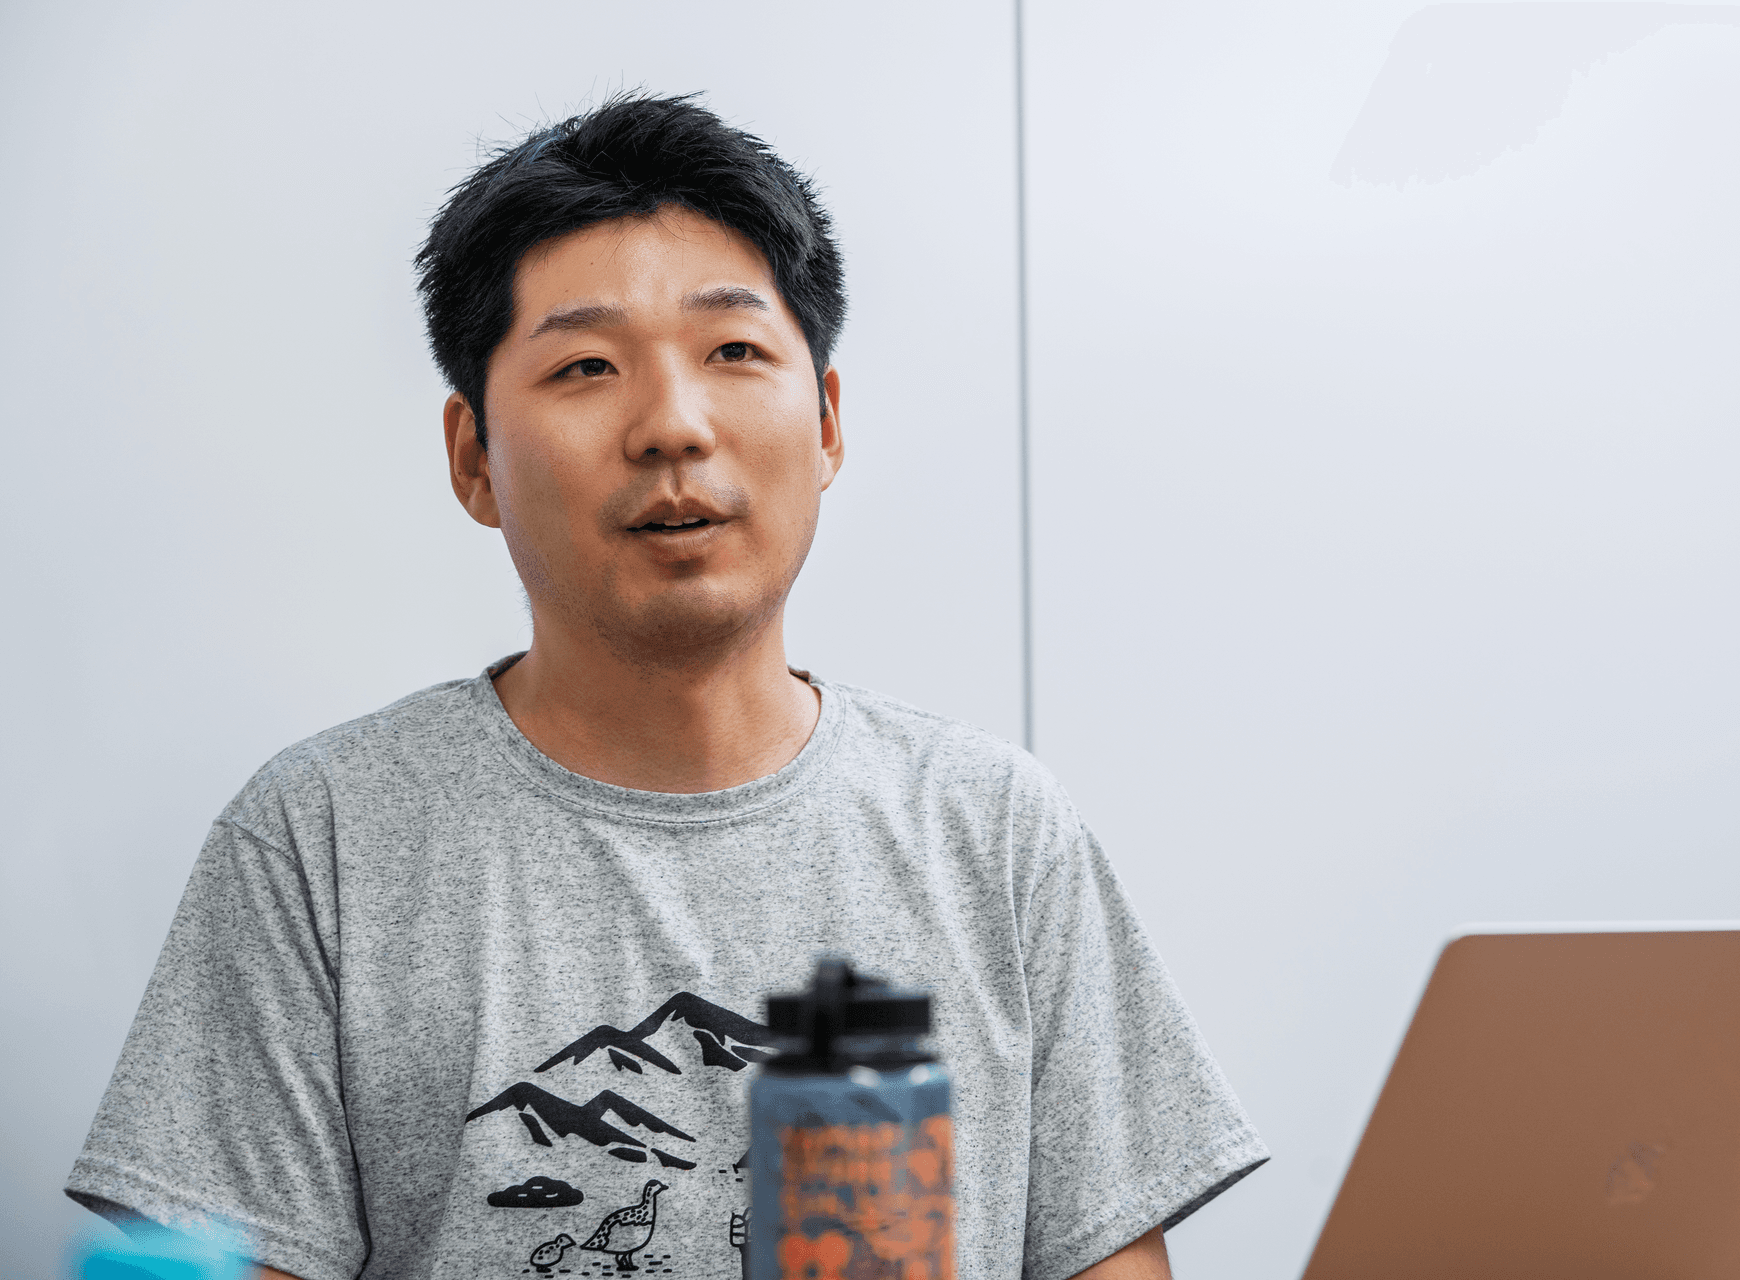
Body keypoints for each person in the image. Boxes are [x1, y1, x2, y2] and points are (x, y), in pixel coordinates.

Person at [64, 92, 1267, 1280]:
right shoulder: (320, 837)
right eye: (586, 365)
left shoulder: (996, 829)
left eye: (734, 350)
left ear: (830, 419)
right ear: (474, 457)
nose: (673, 425)